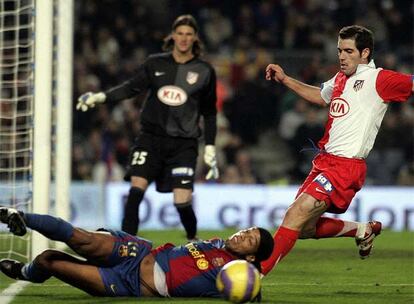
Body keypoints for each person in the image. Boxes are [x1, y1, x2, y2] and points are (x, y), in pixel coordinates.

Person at [261, 25, 414, 275]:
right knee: (305, 228)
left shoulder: (380, 79)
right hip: (324, 162)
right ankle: (361, 230)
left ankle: (254, 275)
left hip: (345, 167)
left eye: (348, 51)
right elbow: (321, 96)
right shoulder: (341, 77)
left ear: (365, 53)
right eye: (339, 50)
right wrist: (286, 79)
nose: (341, 56)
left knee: (295, 214)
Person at [76, 15, 219, 240]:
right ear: (172, 35)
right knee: (135, 191)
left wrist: (210, 147)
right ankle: (124, 247)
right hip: (151, 139)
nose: (183, 38)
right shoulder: (155, 64)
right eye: (180, 33)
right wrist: (100, 97)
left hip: (184, 144)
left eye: (188, 34)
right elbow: (131, 88)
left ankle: (193, 238)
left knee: (182, 202)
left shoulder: (204, 71)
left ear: (195, 38)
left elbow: (210, 112)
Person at [0, 206, 274, 298]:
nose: (242, 235)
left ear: (250, 257)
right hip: (137, 252)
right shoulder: (215, 243)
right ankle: (20, 216)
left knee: (49, 260)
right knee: (80, 237)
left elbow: (250, 284)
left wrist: (253, 279)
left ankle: (28, 273)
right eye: (247, 231)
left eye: (249, 241)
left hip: (131, 284)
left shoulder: (233, 271)